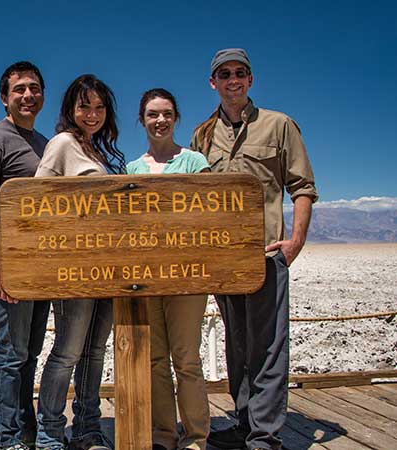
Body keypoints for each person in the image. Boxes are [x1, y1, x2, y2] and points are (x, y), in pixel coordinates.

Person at [191, 49, 317, 450]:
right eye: (224, 74)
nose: (233, 80)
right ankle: (244, 423)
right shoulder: (203, 134)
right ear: (213, 82)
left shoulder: (278, 126)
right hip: (222, 258)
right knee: (237, 345)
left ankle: (265, 435)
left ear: (250, 79)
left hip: (265, 254)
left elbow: (302, 187)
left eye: (240, 73)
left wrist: (295, 241)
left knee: (268, 345)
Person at [33, 74, 125, 450]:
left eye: (99, 107)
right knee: (68, 350)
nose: (92, 113)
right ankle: (50, 430)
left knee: (94, 350)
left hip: (109, 268)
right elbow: (37, 199)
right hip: (75, 268)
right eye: (84, 106)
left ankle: (87, 425)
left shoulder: (98, 153)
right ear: (71, 109)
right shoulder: (62, 144)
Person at [0, 60, 51, 450]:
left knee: (30, 352)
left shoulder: (44, 145)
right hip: (13, 265)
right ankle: (4, 438)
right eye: (19, 89)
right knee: (11, 351)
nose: (27, 95)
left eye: (34, 88)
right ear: (4, 97)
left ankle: (25, 429)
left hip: (42, 266)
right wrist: (0, 265)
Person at [127, 88, 209, 450]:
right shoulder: (131, 169)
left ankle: (196, 436)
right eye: (152, 114)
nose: (160, 120)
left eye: (166, 114)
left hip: (188, 275)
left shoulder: (194, 162)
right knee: (156, 359)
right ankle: (164, 435)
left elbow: (210, 213)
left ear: (176, 118)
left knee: (187, 359)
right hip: (147, 277)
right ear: (142, 120)